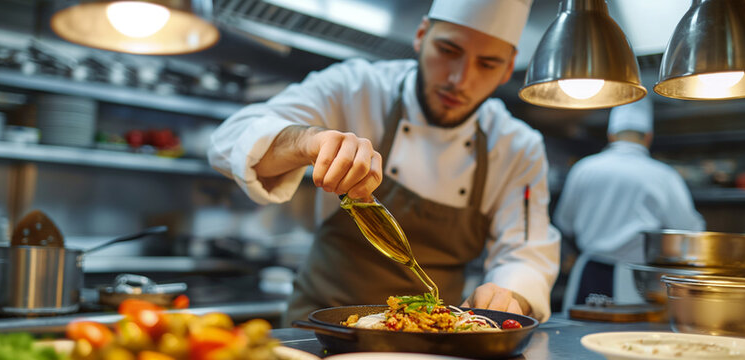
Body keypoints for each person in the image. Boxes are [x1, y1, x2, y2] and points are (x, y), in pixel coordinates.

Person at [209, 0, 560, 323]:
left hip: (428, 338)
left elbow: (526, 251)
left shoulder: (517, 146)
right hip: (322, 327)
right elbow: (229, 140)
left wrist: (507, 293)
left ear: (508, 69)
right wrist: (307, 141)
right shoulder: (356, 87)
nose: (460, 79)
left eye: (488, 63)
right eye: (448, 50)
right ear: (421, 36)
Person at [553, 98, 705, 305]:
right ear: (648, 137)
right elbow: (690, 232)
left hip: (588, 274)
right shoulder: (663, 175)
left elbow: (564, 223)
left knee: (577, 332)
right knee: (626, 336)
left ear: (611, 135)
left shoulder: (583, 169)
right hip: (637, 279)